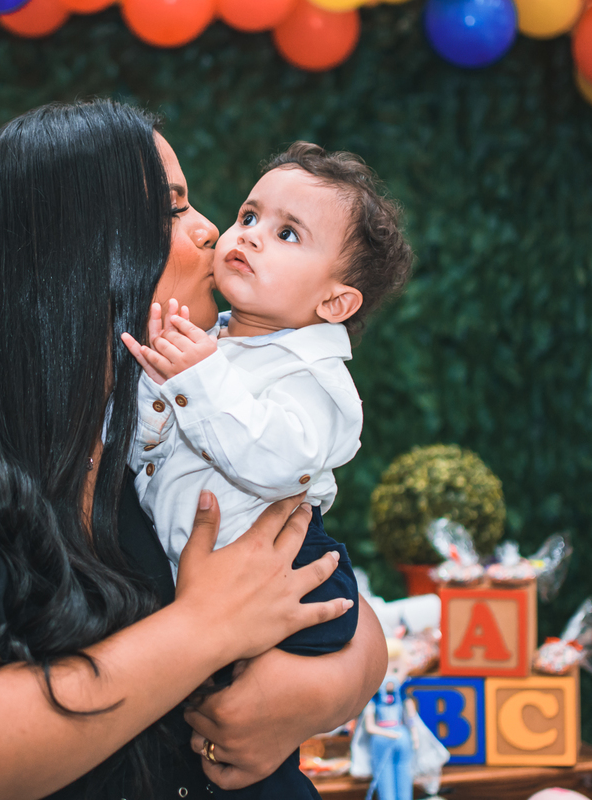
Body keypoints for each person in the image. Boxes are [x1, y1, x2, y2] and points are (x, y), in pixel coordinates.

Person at [0, 100, 388, 800]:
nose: (213, 233)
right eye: (173, 211)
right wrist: (203, 630)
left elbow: (319, 586)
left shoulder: (158, 410)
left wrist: (321, 687)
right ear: (80, 247)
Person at [121, 143, 412, 798]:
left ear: (335, 303)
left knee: (248, 752)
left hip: (286, 579)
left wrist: (196, 376)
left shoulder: (315, 378)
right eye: (249, 215)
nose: (249, 236)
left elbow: (275, 462)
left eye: (287, 234)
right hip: (206, 588)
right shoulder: (214, 340)